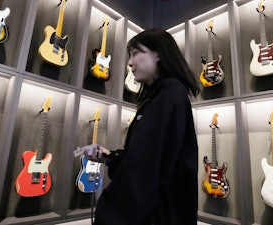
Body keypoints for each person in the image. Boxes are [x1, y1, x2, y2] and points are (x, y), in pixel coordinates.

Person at [81, 28, 200, 225]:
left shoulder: (170, 94)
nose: (130, 62)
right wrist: (109, 155)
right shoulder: (160, 96)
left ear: (159, 54)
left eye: (136, 53)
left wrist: (110, 214)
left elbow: (145, 170)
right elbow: (144, 157)